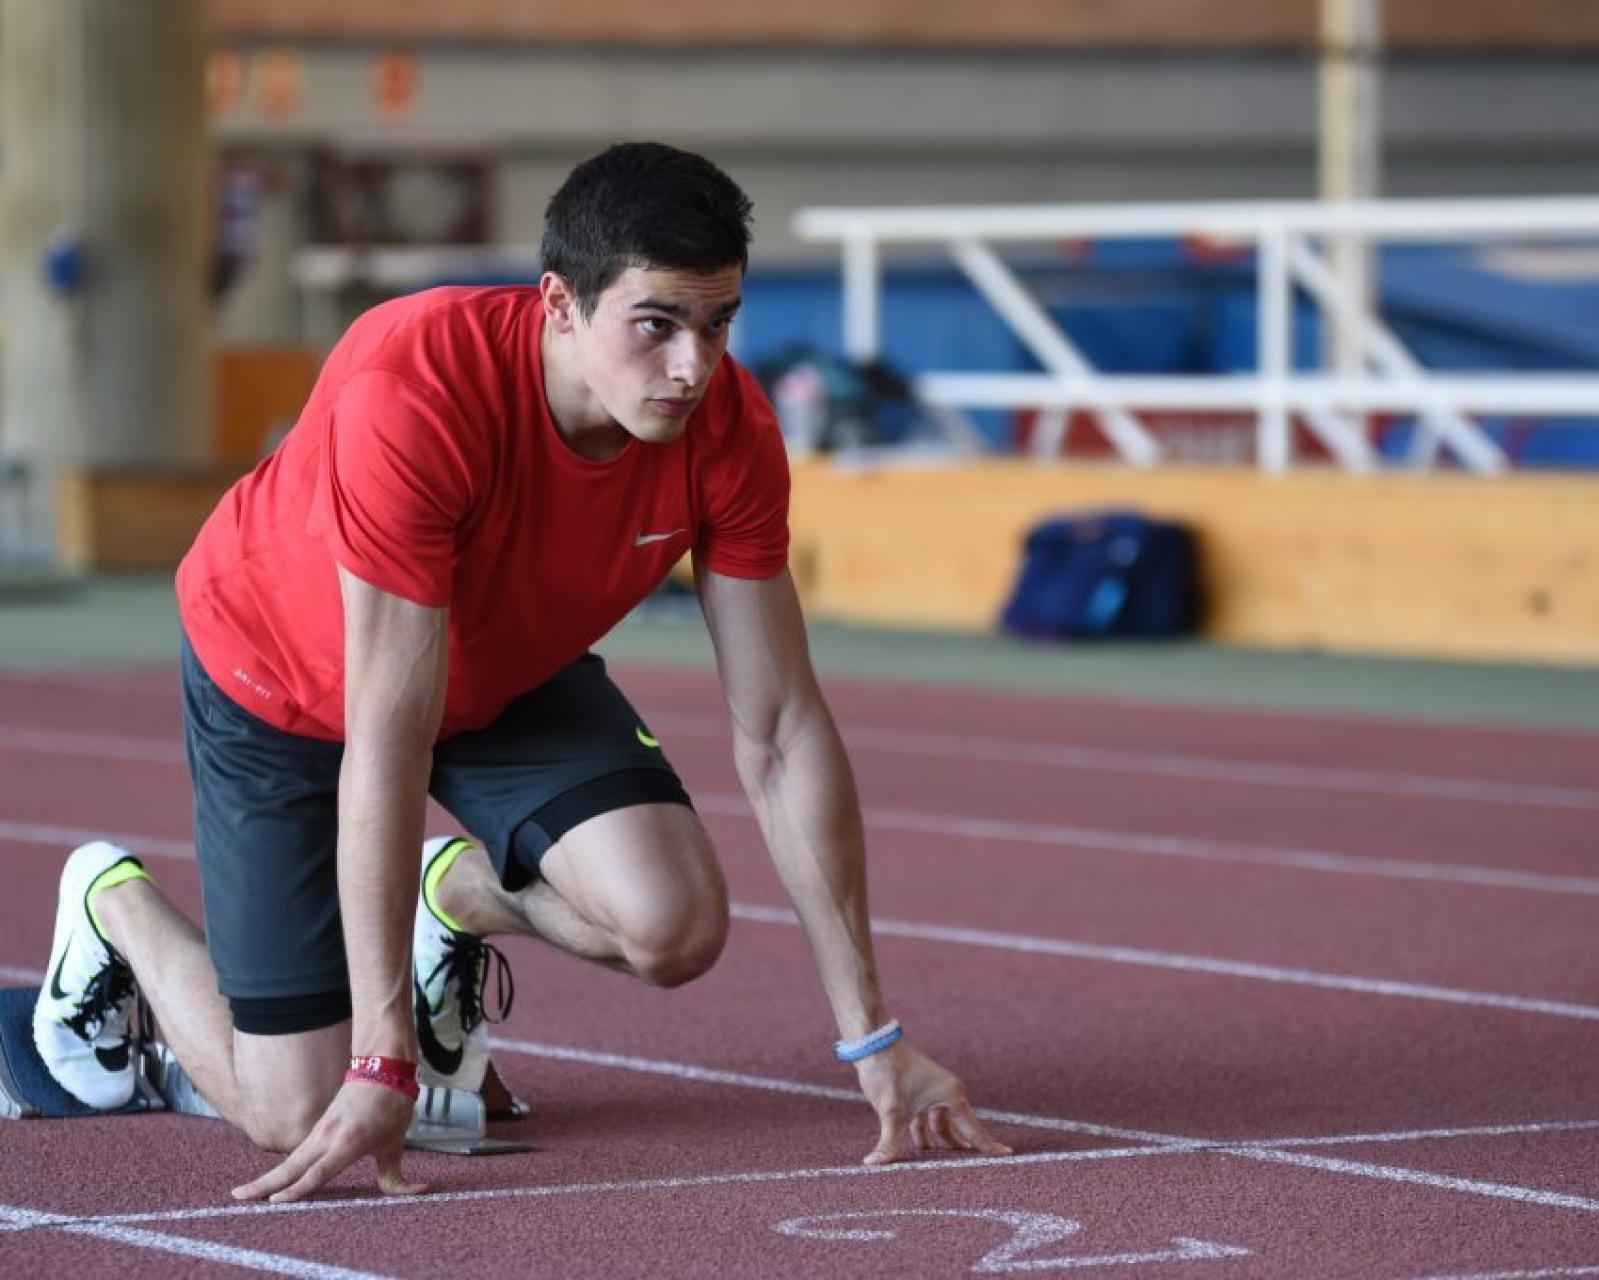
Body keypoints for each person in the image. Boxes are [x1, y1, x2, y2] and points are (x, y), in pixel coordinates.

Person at [31, 142, 1010, 1203]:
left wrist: (871, 1035)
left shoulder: (726, 430)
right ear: (559, 301)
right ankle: (112, 903)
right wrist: (382, 1052)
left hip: (498, 666)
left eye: (718, 324)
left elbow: (780, 730)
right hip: (281, 676)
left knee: (673, 927)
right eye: (657, 324)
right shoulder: (415, 388)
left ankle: (440, 894)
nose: (693, 365)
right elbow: (388, 735)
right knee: (295, 1111)